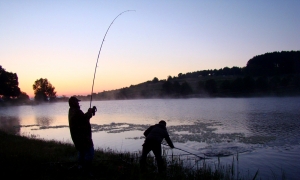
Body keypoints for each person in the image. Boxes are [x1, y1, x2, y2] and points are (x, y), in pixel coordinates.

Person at [68, 96, 97, 175]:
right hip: (83, 137)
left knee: (82, 152)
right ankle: (87, 170)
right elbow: (84, 119)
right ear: (73, 103)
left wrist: (89, 113)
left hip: (77, 137)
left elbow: (82, 119)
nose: (78, 103)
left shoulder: (72, 111)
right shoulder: (76, 112)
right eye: (77, 102)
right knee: (90, 153)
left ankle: (80, 167)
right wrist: (90, 112)